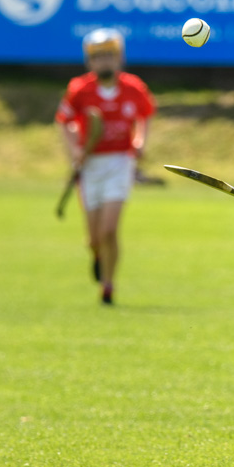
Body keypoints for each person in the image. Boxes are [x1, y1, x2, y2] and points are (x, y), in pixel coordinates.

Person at [56, 28, 155, 305]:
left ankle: (108, 286)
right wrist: (75, 148)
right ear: (90, 61)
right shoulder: (80, 89)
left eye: (110, 56)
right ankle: (98, 255)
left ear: (119, 57)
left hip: (120, 162)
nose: (104, 62)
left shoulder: (133, 87)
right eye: (98, 57)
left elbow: (144, 117)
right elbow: (64, 121)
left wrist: (139, 142)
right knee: (94, 238)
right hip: (90, 166)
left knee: (110, 229)